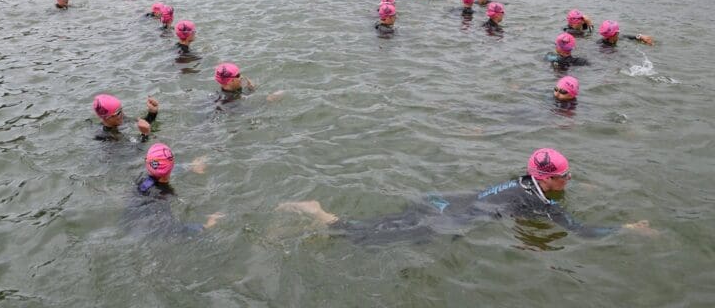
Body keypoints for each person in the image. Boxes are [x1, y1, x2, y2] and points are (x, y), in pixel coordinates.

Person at [277, 148, 654, 244]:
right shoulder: (540, 202)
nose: (570, 178)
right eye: (565, 175)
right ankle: (321, 216)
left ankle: (327, 223)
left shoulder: (523, 181)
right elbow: (580, 231)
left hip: (443, 202)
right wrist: (625, 228)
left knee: (385, 228)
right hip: (447, 218)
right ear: (549, 179)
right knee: (376, 238)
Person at [124, 143, 224, 237]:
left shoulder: (141, 179)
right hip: (144, 231)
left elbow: (162, 170)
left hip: (129, 220)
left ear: (147, 162)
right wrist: (206, 226)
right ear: (172, 167)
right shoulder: (163, 195)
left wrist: (191, 166)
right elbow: (171, 229)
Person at [92, 93, 159, 141]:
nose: (122, 114)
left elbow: (144, 125)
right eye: (118, 112)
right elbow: (133, 155)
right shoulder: (104, 137)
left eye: (121, 109)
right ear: (106, 117)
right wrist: (145, 135)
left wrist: (152, 113)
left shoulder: (122, 119)